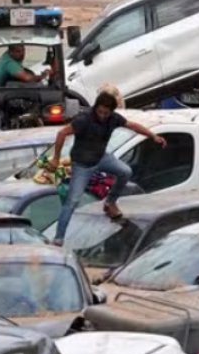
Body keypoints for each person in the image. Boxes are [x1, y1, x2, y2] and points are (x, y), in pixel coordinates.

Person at [49, 91, 166, 244]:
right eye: (100, 112)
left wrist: (152, 136)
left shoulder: (114, 118)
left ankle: (110, 202)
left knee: (125, 171)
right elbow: (62, 133)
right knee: (72, 200)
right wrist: (56, 158)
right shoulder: (84, 119)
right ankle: (58, 238)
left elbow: (132, 125)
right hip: (82, 164)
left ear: (111, 112)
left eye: (106, 113)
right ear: (96, 108)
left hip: (101, 157)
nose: (103, 116)